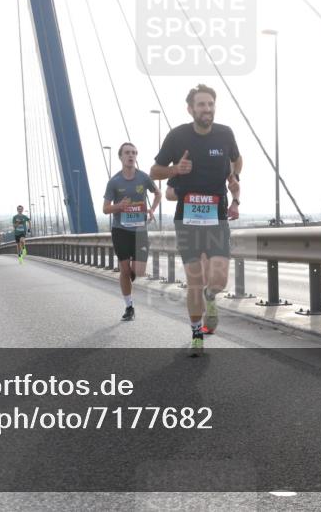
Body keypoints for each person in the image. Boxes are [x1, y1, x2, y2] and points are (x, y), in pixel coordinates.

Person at [151, 84, 242, 355]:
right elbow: (155, 171)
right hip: (187, 221)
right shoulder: (177, 137)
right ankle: (196, 336)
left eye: (210, 104)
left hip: (217, 217)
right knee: (195, 281)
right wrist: (175, 169)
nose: (207, 109)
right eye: (201, 105)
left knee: (218, 279)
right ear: (190, 109)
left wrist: (234, 178)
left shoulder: (225, 134)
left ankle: (211, 298)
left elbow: (238, 160)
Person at [103, 142, 161, 321]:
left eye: (134, 153)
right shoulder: (114, 181)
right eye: (127, 153)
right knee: (125, 270)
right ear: (120, 157)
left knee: (139, 271)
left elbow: (157, 193)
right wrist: (119, 206)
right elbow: (105, 209)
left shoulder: (144, 178)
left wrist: (152, 209)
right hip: (120, 230)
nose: (131, 156)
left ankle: (132, 273)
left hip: (139, 230)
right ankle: (129, 307)